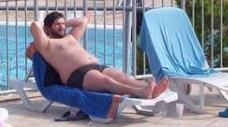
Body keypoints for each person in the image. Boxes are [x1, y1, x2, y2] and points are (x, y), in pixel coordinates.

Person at [28, 11, 168, 98]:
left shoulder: (71, 37)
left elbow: (83, 21)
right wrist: (46, 25)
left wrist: (62, 22)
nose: (62, 27)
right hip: (77, 75)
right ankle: (140, 92)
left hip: (95, 66)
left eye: (63, 24)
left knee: (123, 77)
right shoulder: (47, 45)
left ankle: (149, 88)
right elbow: (35, 25)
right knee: (107, 82)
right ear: (48, 28)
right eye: (57, 25)